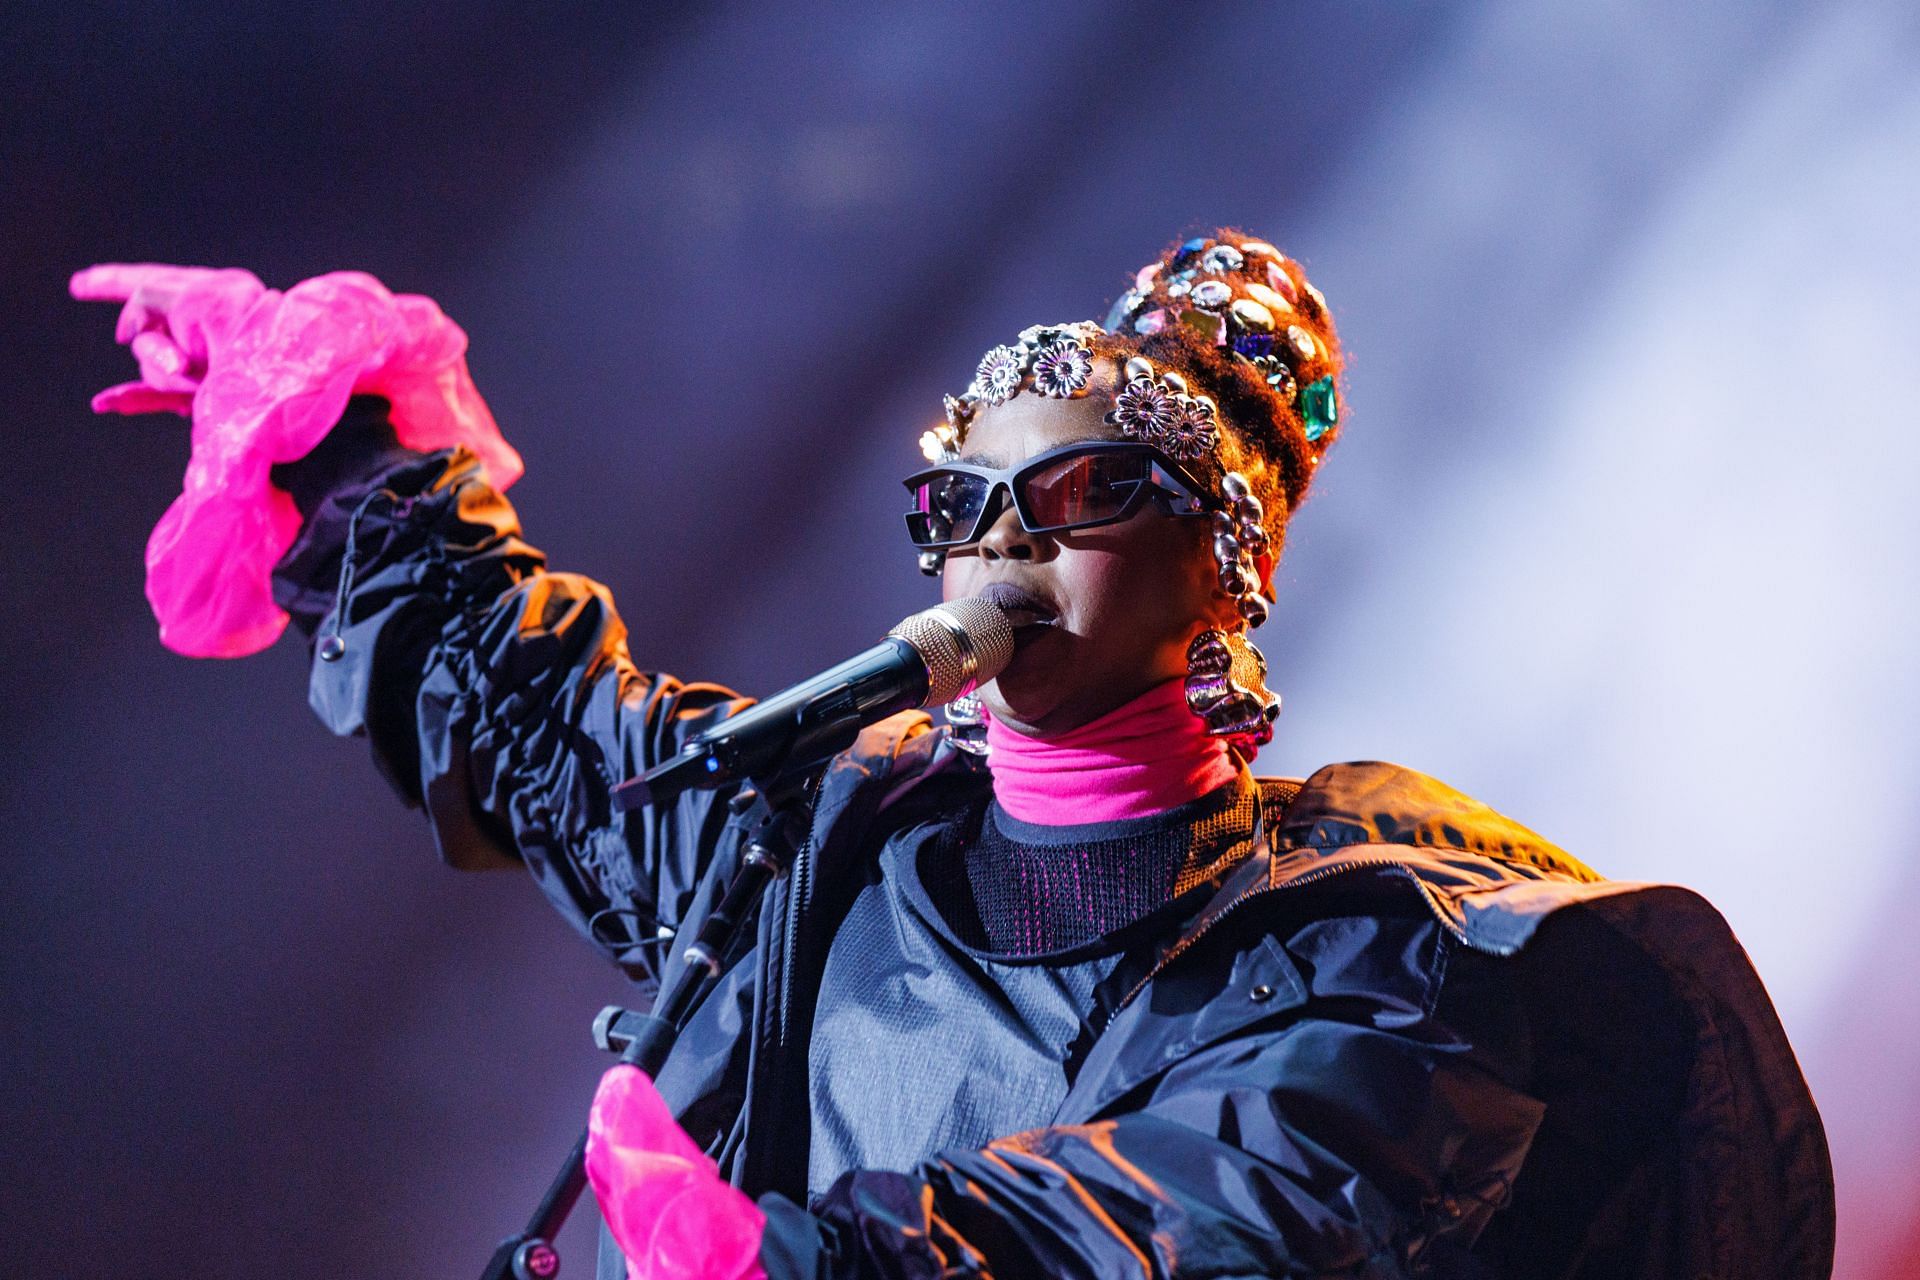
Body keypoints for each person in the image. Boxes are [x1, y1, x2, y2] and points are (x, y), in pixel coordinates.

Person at [74, 231, 1834, 1279]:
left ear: (1222, 564)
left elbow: (1177, 1229)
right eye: (966, 503)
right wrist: (334, 438)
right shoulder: (834, 838)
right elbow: (547, 729)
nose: (1007, 546)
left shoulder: (1380, 968)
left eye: (1082, 495)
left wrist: (812, 1265)